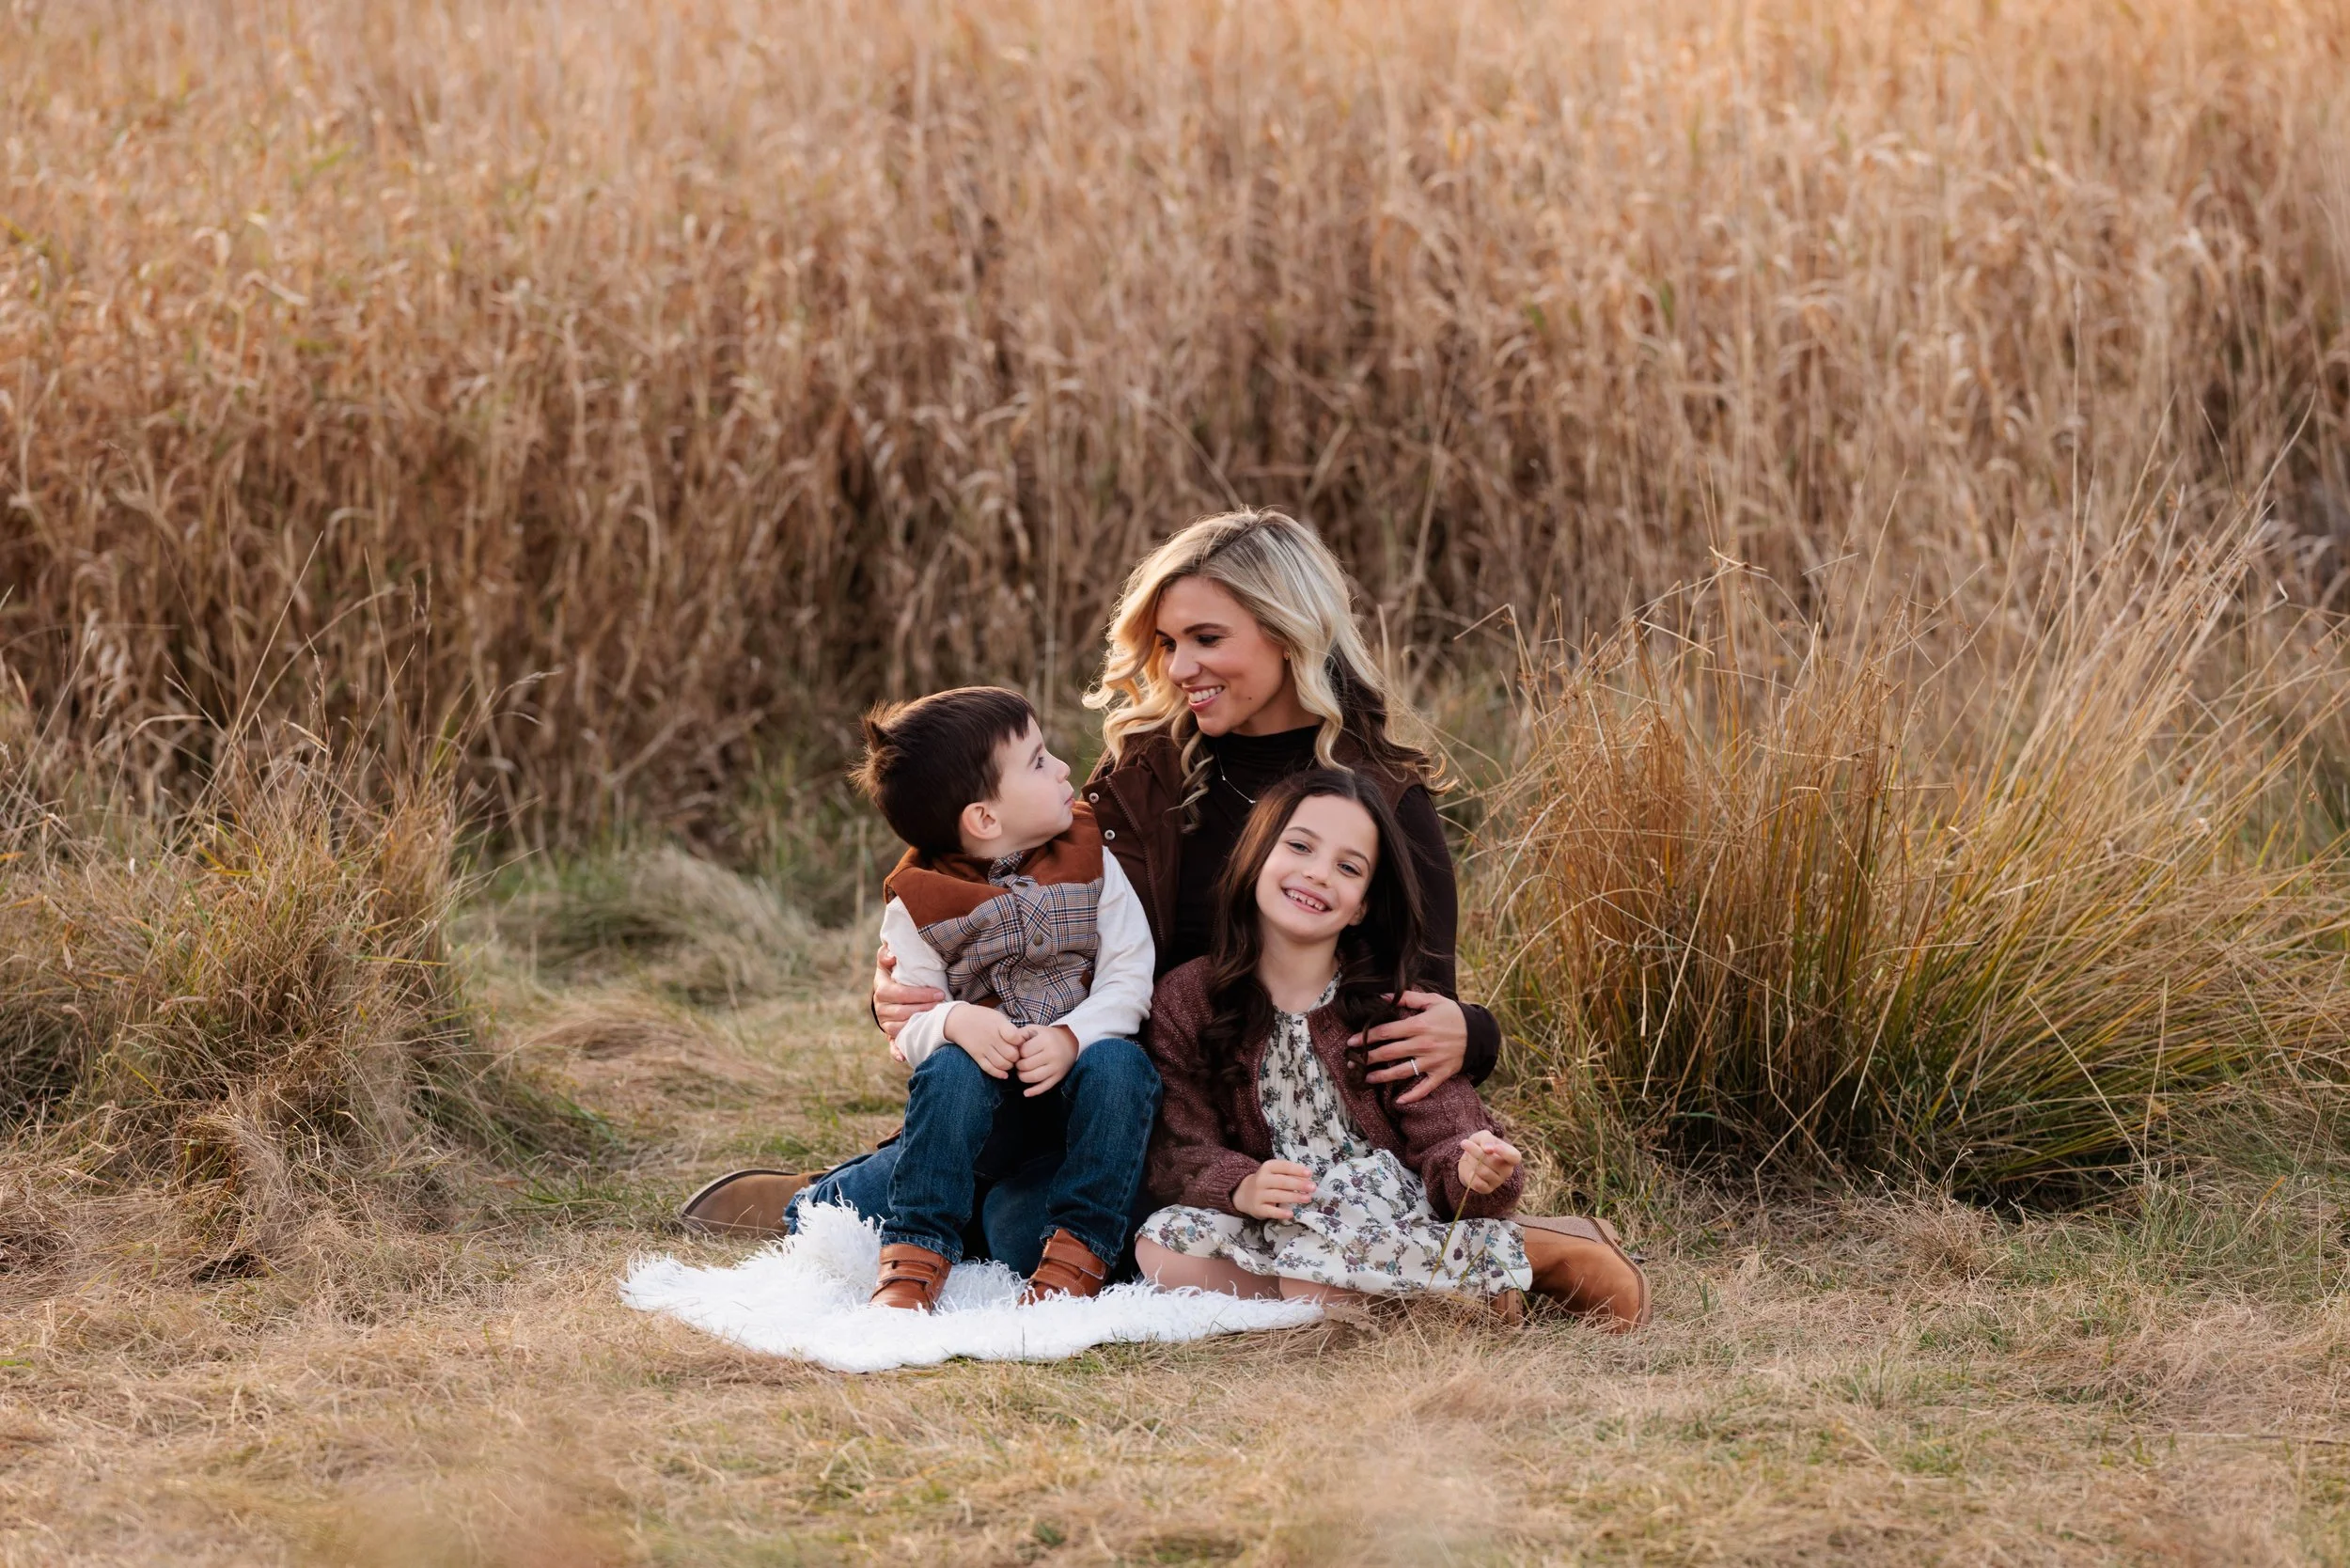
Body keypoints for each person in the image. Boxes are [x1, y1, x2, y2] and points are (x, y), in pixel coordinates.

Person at [691, 510, 1504, 1249]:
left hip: (1269, 1133)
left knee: (1020, 1230)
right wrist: (912, 978)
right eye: (1167, 643)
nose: (1181, 667)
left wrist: (1475, 1031)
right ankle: (861, 1195)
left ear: (1287, 633)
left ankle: (895, 1192)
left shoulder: (1382, 799)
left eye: (1207, 639)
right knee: (1019, 1198)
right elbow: (1017, 873)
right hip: (1122, 1089)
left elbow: (1417, 1001)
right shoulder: (1152, 767)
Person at [690, 687, 1160, 1308]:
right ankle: (911, 1253)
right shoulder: (919, 900)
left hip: (1078, 1108)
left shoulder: (1089, 856)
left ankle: (1078, 1255)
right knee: (949, 1067)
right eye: (1041, 761)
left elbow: (1132, 971)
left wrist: (1073, 1036)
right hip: (979, 1120)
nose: (1065, 769)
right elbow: (908, 1021)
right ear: (984, 819)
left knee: (1119, 1065)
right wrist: (954, 1020)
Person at [1135, 769, 1648, 1328]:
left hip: (1378, 1212)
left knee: (1319, 1271)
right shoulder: (1189, 998)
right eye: (1300, 846)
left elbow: (1447, 1131)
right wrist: (1242, 1185)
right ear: (1257, 854)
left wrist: (1473, 1172)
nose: (1317, 873)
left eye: (1348, 867)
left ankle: (1522, 1261)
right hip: (1278, 1212)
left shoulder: (1391, 1006)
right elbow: (1181, 1146)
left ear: (1360, 906)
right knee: (1160, 1247)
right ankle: (1447, 1285)